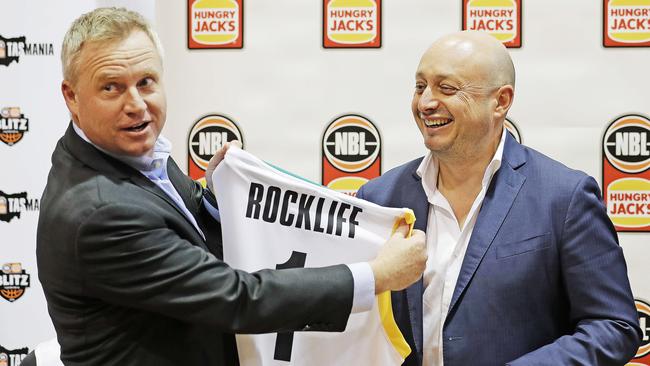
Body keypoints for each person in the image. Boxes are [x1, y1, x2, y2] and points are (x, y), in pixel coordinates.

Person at [36, 7, 426, 366]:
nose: (136, 104)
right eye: (112, 88)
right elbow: (238, 298)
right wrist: (375, 276)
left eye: (146, 82)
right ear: (71, 96)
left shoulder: (132, 152)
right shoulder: (101, 212)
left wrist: (225, 198)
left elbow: (184, 226)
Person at [356, 31, 641, 366]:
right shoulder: (378, 198)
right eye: (420, 87)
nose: (425, 102)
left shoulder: (564, 197)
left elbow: (613, 326)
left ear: (501, 101)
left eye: (446, 88)